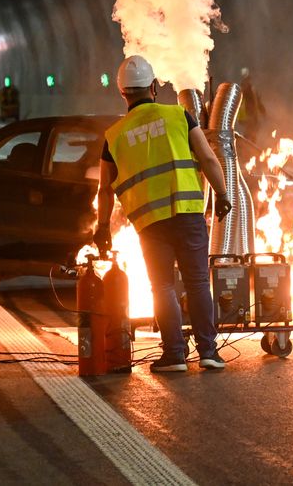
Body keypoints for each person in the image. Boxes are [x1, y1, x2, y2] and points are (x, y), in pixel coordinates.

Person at [96, 55, 233, 372]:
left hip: (150, 223)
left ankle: (174, 355)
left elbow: (104, 189)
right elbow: (209, 159)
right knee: (198, 283)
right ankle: (209, 353)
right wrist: (223, 194)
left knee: (163, 287)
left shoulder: (113, 136)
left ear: (122, 94)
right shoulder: (179, 116)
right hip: (187, 214)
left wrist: (102, 226)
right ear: (154, 87)